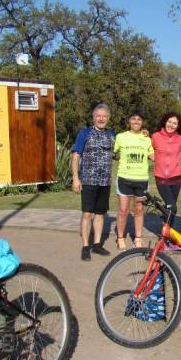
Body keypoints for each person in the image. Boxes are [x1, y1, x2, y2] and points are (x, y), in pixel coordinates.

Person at [71, 103, 114, 261]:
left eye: (104, 116)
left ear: (108, 118)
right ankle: (85, 246)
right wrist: (76, 178)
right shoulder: (84, 133)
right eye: (98, 116)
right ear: (93, 118)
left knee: (100, 214)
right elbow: (76, 156)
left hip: (105, 181)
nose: (101, 118)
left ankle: (97, 245)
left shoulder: (111, 135)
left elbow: (119, 152)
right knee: (87, 213)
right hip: (88, 180)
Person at [114, 111, 154, 251]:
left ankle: (138, 238)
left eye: (139, 119)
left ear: (142, 122)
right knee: (123, 210)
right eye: (133, 119)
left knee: (138, 209)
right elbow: (113, 152)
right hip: (124, 177)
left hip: (141, 179)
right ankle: (120, 238)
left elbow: (153, 155)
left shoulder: (146, 138)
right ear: (129, 121)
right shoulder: (120, 137)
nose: (136, 121)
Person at [151, 112, 181, 225]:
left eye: (175, 123)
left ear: (178, 126)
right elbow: (146, 147)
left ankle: (166, 235)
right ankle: (165, 237)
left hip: (176, 178)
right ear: (165, 122)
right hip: (161, 178)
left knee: (171, 208)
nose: (171, 125)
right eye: (169, 122)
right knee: (172, 207)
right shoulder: (155, 136)